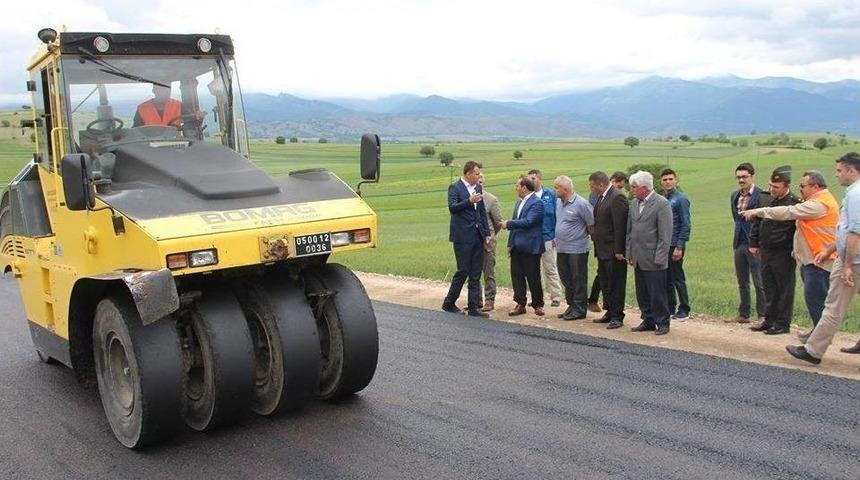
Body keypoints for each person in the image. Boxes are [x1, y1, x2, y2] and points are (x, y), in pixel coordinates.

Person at [741, 170, 838, 341]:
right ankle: (774, 321)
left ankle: (811, 337)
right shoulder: (813, 201)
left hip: (813, 259)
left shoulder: (817, 204)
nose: (800, 189)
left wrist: (759, 211)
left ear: (815, 186)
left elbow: (788, 213)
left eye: (803, 186)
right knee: (771, 287)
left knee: (807, 297)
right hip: (801, 255)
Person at [787, 152, 860, 365]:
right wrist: (829, 249)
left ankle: (813, 351)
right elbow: (843, 231)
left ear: (851, 171)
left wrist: (846, 264)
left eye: (839, 170)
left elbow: (854, 232)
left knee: (833, 307)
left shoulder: (855, 195)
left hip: (853, 261)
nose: (836, 175)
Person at [748, 166, 799, 335]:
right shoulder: (765, 198)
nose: (772, 189)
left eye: (776, 187)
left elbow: (798, 230)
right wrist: (754, 243)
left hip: (784, 252)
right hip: (766, 250)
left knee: (784, 288)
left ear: (786, 186)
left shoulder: (795, 203)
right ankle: (769, 319)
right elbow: (757, 222)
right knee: (768, 285)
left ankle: (782, 323)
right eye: (770, 185)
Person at [626, 171, 674, 335]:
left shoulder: (662, 204)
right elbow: (630, 231)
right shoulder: (633, 203)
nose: (632, 190)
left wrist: (660, 257)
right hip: (638, 256)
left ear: (645, 188)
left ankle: (662, 322)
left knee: (657, 293)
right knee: (642, 292)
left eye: (634, 187)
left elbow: (665, 235)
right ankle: (648, 319)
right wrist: (629, 252)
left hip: (654, 258)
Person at [442, 161, 491, 317]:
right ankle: (449, 302)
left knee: (476, 272)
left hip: (477, 235)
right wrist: (469, 201)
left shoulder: (478, 188)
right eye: (476, 174)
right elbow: (452, 207)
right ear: (468, 173)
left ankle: (473, 307)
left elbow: (481, 212)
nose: (478, 177)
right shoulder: (455, 188)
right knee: (463, 271)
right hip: (462, 236)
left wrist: (486, 233)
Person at [729, 162, 769, 324]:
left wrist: (758, 243)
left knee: (759, 281)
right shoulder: (734, 196)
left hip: (756, 245)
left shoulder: (762, 195)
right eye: (738, 177)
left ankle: (763, 315)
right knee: (742, 281)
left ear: (752, 177)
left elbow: (763, 221)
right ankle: (744, 314)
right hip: (739, 243)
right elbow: (737, 219)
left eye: (744, 177)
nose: (741, 180)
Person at [589, 171, 629, 329]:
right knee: (605, 283)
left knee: (616, 284)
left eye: (592, 186)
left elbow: (620, 226)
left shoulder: (617, 197)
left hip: (614, 252)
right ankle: (610, 311)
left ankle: (618, 316)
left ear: (600, 184)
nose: (591, 189)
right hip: (602, 250)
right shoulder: (602, 197)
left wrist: (620, 250)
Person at [553, 175, 594, 320]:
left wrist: (581, 238)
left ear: (565, 189)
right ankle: (572, 305)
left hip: (577, 249)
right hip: (561, 248)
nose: (554, 190)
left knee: (578, 279)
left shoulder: (582, 204)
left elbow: (591, 225)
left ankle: (580, 309)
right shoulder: (558, 202)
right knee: (566, 279)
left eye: (556, 187)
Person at [502, 176, 545, 317]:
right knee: (517, 276)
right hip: (517, 245)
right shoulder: (518, 203)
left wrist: (508, 223)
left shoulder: (537, 203)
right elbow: (516, 226)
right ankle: (520, 303)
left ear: (524, 188)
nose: (516, 188)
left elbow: (529, 221)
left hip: (531, 246)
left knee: (533, 276)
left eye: (517, 186)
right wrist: (510, 243)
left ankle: (538, 304)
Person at [527, 169, 563, 307]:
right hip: (532, 238)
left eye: (534, 178)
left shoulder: (551, 195)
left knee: (550, 267)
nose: (531, 181)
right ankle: (537, 296)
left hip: (548, 237)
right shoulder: (528, 196)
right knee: (534, 270)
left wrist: (555, 236)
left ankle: (556, 296)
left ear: (540, 179)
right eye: (529, 179)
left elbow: (557, 216)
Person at [660, 169, 692, 320]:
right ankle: (670, 307)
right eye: (665, 179)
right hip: (665, 244)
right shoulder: (662, 199)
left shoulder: (681, 199)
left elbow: (686, 224)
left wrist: (679, 246)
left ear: (676, 180)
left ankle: (684, 309)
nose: (667, 182)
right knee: (667, 278)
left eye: (670, 179)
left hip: (675, 244)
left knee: (678, 277)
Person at [478, 174, 504, 312]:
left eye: (481, 182)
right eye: (477, 181)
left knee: (489, 272)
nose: (479, 184)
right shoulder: (469, 199)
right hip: (473, 243)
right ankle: (476, 300)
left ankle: (489, 301)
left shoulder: (491, 199)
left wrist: (490, 234)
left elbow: (498, 222)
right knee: (474, 273)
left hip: (488, 243)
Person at [133, 84, 205, 128]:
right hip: (149, 147)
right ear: (154, 90)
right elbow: (136, 130)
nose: (166, 92)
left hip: (174, 145)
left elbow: (193, 123)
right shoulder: (142, 108)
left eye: (168, 88)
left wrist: (199, 117)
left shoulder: (178, 105)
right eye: (162, 89)